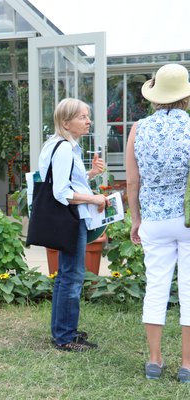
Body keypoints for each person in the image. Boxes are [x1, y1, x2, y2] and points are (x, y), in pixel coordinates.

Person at [126, 63, 190, 381]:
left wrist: (135, 219)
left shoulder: (139, 129)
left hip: (154, 219)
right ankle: (187, 366)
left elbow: (132, 183)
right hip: (188, 220)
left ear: (156, 96)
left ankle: (154, 361)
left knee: (156, 287)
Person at [38, 98, 107, 352]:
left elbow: (65, 180)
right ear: (66, 122)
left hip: (64, 218)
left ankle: (63, 331)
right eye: (82, 117)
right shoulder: (66, 148)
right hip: (70, 217)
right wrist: (95, 198)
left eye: (87, 116)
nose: (88, 121)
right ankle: (65, 336)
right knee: (72, 277)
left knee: (66, 276)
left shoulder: (57, 145)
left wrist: (89, 175)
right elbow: (61, 191)